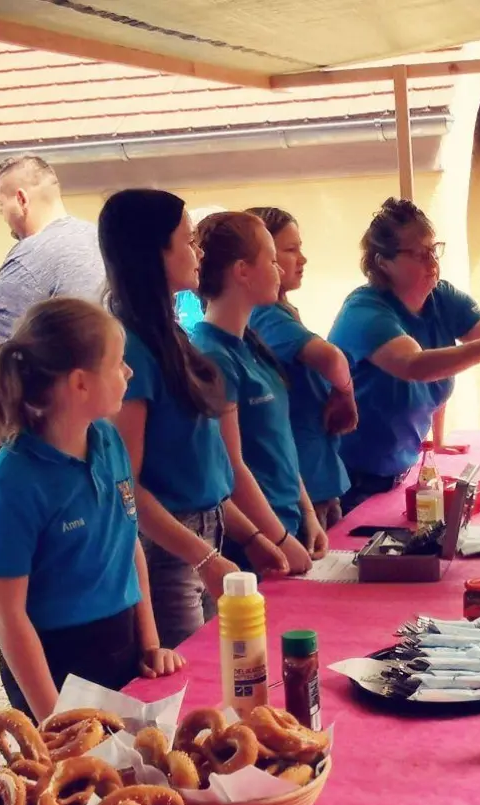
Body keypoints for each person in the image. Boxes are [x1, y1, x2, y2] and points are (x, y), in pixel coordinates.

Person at [101, 188, 295, 649]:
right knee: (196, 692)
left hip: (211, 538)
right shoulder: (131, 349)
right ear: (153, 252)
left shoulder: (171, 335)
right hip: (172, 555)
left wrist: (250, 537)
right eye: (188, 241)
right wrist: (204, 558)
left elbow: (205, 471)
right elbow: (126, 486)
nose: (198, 252)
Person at [0, 298, 186, 718]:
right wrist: (52, 718)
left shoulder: (108, 441)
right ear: (80, 384)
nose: (129, 372)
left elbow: (129, 547)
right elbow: (6, 612)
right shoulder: (10, 483)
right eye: (117, 364)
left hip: (122, 642)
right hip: (56, 663)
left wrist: (150, 643)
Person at [327, 198, 480, 512]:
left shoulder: (442, 297)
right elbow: (416, 367)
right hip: (349, 481)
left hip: (397, 474)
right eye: (418, 254)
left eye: (433, 250)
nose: (432, 262)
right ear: (383, 263)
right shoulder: (364, 311)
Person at [189, 211, 327, 562]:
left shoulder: (250, 344)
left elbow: (279, 442)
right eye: (271, 259)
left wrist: (307, 514)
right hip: (256, 544)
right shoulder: (212, 355)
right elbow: (231, 466)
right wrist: (279, 541)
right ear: (242, 271)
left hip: (287, 525)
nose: (280, 270)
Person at [247, 206, 356, 530]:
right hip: (301, 484)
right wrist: (345, 393)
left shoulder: (279, 311)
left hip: (318, 477)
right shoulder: (265, 315)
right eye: (290, 250)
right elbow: (331, 358)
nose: (302, 259)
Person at [0, 155, 106, 365]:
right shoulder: (101, 239)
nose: (2, 215)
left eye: (1, 205)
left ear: (22, 199)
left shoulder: (31, 255)